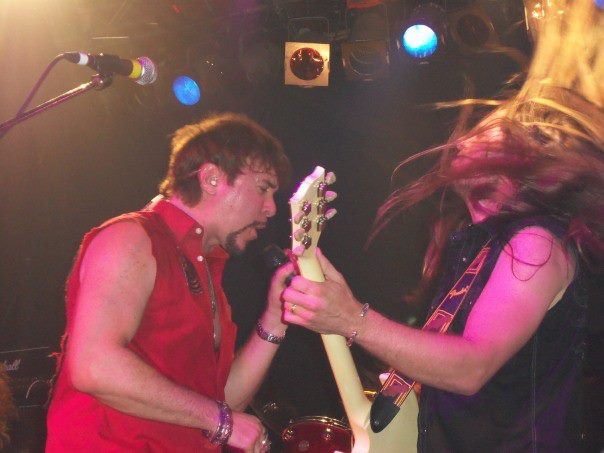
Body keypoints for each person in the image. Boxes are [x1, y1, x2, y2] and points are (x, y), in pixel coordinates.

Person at [278, 0, 603, 450]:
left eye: (493, 132)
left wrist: (353, 319)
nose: (468, 136)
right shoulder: (479, 244)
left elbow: (471, 367)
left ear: (519, 163)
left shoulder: (536, 243)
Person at [46, 112, 292, 452]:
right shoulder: (132, 237)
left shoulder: (209, 273)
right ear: (211, 178)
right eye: (263, 188)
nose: (271, 209)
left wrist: (276, 318)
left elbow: (219, 402)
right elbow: (94, 365)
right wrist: (220, 421)